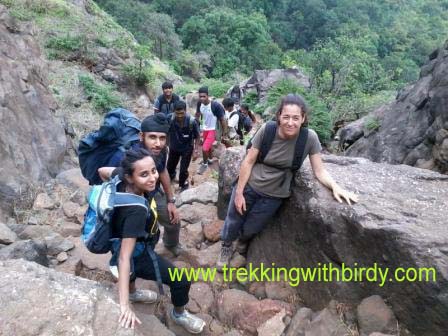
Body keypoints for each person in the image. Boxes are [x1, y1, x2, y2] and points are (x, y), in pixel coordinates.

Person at [217, 94, 358, 269]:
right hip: (251, 186)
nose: (290, 122)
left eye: (295, 118)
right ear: (279, 116)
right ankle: (226, 245)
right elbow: (249, 160)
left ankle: (243, 241)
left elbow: (319, 170)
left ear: (303, 118)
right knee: (233, 219)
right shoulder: (268, 130)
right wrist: (239, 192)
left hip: (275, 195)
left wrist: (335, 187)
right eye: (286, 117)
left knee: (253, 227)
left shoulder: (309, 138)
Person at [99, 148, 205, 333]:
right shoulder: (136, 212)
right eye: (144, 175)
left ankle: (133, 293)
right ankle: (178, 314)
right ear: (130, 177)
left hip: (117, 241)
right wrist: (124, 306)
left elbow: (102, 171)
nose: (152, 178)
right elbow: (125, 257)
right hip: (135, 253)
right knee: (180, 280)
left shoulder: (121, 176)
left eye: (153, 171)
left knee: (129, 265)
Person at [108, 113, 183, 257]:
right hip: (133, 200)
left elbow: (162, 171)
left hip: (153, 191)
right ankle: (140, 259)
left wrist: (171, 201)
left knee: (173, 221)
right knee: (147, 232)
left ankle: (170, 244)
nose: (158, 143)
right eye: (152, 137)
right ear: (142, 136)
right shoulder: (129, 158)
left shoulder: (160, 151)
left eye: (162, 138)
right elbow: (108, 175)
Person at [167, 101, 201, 191]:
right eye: (177, 113)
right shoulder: (170, 119)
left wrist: (196, 150)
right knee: (169, 167)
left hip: (187, 148)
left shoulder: (192, 121)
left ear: (185, 111)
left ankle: (183, 185)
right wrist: (165, 145)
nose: (179, 116)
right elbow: (165, 131)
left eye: (182, 113)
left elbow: (198, 136)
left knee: (183, 170)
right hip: (174, 147)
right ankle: (170, 179)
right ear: (174, 111)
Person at [195, 86, 228, 174]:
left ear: (208, 95)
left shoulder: (215, 105)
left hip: (213, 130)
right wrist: (196, 124)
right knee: (208, 147)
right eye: (200, 96)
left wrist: (224, 134)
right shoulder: (199, 103)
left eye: (204, 96)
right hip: (204, 129)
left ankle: (205, 164)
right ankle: (209, 159)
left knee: (204, 148)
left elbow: (223, 120)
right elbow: (197, 114)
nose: (202, 98)